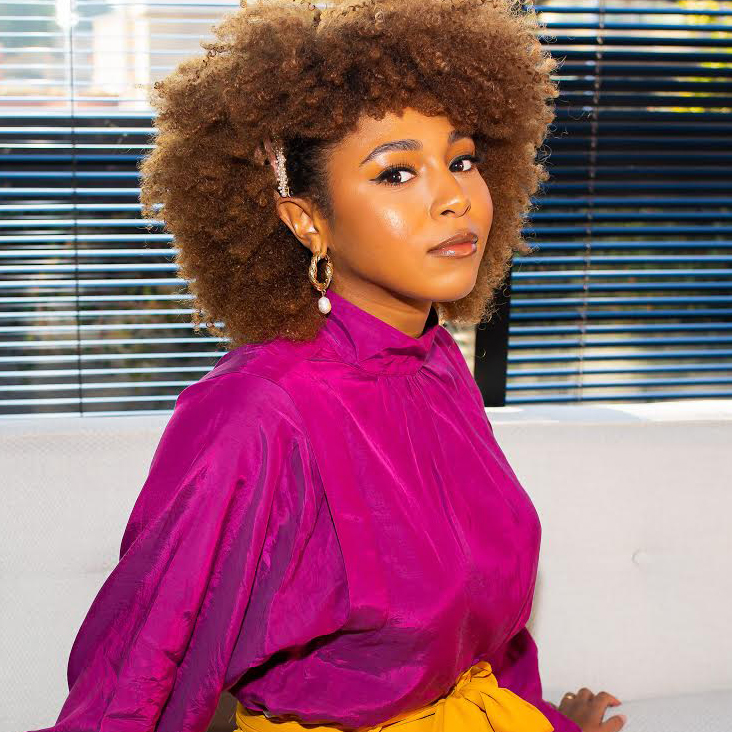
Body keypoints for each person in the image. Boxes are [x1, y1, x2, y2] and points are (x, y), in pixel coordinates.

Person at [26, 1, 626, 731]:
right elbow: (144, 660)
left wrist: (538, 718)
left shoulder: (437, 365)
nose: (454, 199)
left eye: (462, 160)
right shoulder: (258, 407)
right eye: (397, 172)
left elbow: (479, 626)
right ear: (306, 220)